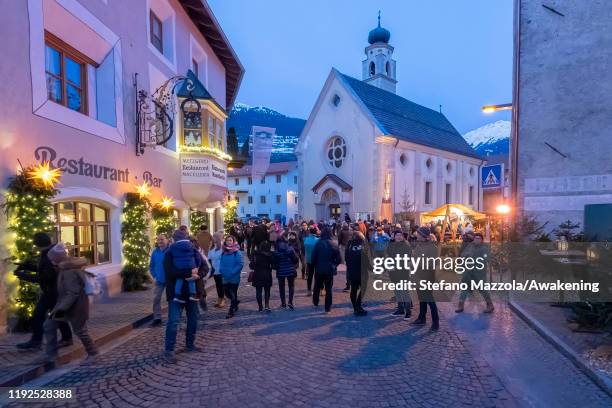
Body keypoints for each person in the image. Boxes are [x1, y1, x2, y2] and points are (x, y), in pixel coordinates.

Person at [14, 232, 72, 350]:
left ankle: (37, 341)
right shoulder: (50, 252)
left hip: (52, 291)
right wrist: (26, 266)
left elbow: (46, 277)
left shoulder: (49, 255)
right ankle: (67, 338)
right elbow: (43, 270)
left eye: (35, 243)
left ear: (38, 243)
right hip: (54, 291)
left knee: (39, 315)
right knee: (57, 316)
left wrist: (24, 276)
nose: (34, 245)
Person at [43, 243, 98, 362]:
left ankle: (93, 353)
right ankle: (51, 355)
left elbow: (72, 293)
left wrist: (60, 309)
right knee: (49, 325)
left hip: (76, 306)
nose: (51, 261)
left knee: (80, 331)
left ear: (57, 259)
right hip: (66, 305)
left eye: (52, 259)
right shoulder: (64, 267)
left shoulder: (69, 271)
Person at [163, 230, 202, 363]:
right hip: (175, 293)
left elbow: (205, 267)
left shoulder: (193, 250)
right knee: (173, 322)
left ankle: (190, 344)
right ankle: (169, 350)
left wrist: (199, 274)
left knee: (193, 319)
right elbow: (170, 273)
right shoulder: (169, 253)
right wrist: (190, 272)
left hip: (191, 292)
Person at [456, 232, 494, 313]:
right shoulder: (470, 246)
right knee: (465, 288)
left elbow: (487, 258)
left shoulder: (484, 248)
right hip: (468, 272)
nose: (476, 240)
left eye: (478, 239)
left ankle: (490, 305)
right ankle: (460, 305)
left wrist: (482, 258)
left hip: (479, 273)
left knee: (482, 289)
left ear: (481, 240)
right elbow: (463, 255)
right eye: (475, 238)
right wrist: (466, 256)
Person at [411, 227, 440, 331]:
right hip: (418, 275)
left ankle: (436, 322)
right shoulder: (419, 245)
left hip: (427, 276)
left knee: (429, 299)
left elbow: (432, 263)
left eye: (418, 234)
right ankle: (421, 318)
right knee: (421, 298)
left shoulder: (433, 247)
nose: (416, 235)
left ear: (423, 235)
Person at [311, 228, 341, 313]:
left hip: (319, 268)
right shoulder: (334, 244)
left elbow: (313, 258)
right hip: (329, 269)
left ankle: (315, 301)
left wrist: (315, 265)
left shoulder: (318, 243)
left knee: (317, 286)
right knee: (329, 289)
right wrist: (334, 265)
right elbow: (339, 259)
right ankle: (328, 307)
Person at [168, 230, 201, 303]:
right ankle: (192, 295)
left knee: (179, 279)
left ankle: (177, 296)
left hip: (178, 266)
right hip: (190, 265)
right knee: (191, 280)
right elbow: (197, 255)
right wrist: (197, 265)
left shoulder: (173, 246)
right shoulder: (191, 244)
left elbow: (169, 254)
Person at [386, 231, 413, 319]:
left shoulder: (406, 245)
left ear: (402, 236)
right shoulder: (393, 245)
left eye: (399, 235)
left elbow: (407, 259)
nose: (398, 237)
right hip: (394, 272)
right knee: (397, 291)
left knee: (404, 292)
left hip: (402, 272)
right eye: (396, 235)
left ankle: (408, 312)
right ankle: (400, 309)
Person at [219, 235, 244, 319]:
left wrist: (232, 272)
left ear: (233, 242)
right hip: (225, 276)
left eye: (230, 240)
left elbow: (240, 264)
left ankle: (231, 311)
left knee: (233, 293)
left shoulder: (237, 252)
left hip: (234, 276)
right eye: (227, 240)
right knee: (227, 293)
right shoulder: (223, 252)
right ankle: (235, 303)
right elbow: (221, 263)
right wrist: (221, 270)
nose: (229, 242)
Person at [345, 232, 369, 316]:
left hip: (352, 271)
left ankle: (355, 308)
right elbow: (367, 261)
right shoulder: (363, 246)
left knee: (353, 290)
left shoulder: (349, 246)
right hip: (362, 273)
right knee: (364, 289)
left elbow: (346, 259)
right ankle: (358, 306)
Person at [273, 237, 299, 309]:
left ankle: (283, 303)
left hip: (280, 271)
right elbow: (296, 259)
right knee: (291, 286)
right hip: (290, 270)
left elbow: (274, 263)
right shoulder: (290, 249)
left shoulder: (276, 251)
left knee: (281, 287)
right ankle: (290, 302)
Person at [150, 234, 169, 326]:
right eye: (158, 240)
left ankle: (173, 317)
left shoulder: (170, 251)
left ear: (167, 240)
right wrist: (154, 276)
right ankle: (157, 317)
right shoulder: (155, 252)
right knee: (156, 299)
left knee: (171, 299)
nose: (160, 241)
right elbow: (151, 265)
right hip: (159, 280)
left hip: (170, 280)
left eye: (162, 239)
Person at [250, 241, 273, 312]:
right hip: (267, 274)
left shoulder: (256, 254)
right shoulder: (270, 255)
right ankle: (267, 305)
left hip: (257, 273)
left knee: (258, 291)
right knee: (267, 290)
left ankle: (260, 307)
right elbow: (273, 264)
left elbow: (252, 266)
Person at [208, 231, 225, 308]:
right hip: (214, 270)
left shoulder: (222, 248)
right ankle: (219, 298)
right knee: (218, 285)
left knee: (221, 285)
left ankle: (222, 299)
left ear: (218, 238)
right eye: (213, 237)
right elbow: (209, 258)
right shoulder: (212, 247)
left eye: (215, 237)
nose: (213, 238)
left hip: (221, 270)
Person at [302, 227, 319, 296]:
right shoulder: (318, 240)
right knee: (317, 276)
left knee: (310, 276)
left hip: (309, 260)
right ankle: (317, 290)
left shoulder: (305, 239)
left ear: (310, 232)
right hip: (317, 260)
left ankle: (309, 290)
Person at [338, 223, 353, 291]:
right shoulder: (351, 231)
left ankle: (348, 285)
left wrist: (339, 244)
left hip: (344, 246)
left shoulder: (341, 231)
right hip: (350, 248)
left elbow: (339, 238)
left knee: (346, 264)